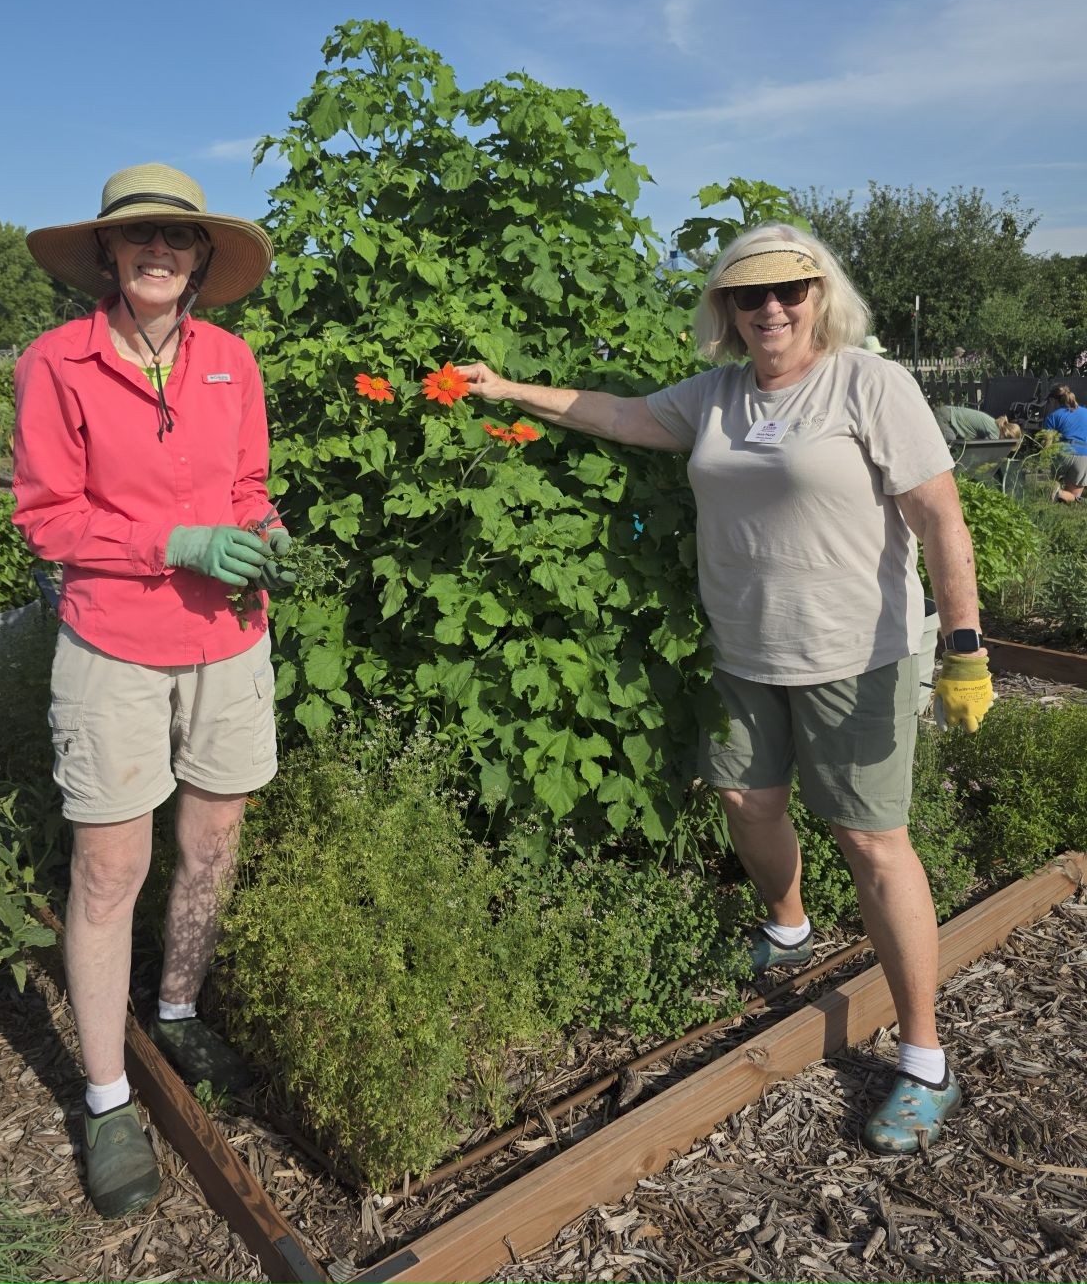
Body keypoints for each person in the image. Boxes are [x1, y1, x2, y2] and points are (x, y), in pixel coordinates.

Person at [456, 223, 994, 1155]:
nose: (772, 309)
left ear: (821, 295)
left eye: (791, 290)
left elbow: (941, 516)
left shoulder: (871, 384)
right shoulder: (718, 395)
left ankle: (923, 1057)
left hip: (853, 656)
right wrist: (506, 391)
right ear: (727, 311)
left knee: (873, 843)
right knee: (747, 802)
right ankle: (788, 927)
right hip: (746, 651)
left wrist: (966, 646)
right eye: (751, 296)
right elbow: (618, 413)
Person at [13, 164, 291, 1217]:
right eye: (139, 238)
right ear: (106, 255)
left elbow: (250, 489)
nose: (159, 250)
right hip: (114, 642)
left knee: (213, 839)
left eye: (178, 236)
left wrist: (267, 536)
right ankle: (106, 1093)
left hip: (227, 637)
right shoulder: (59, 363)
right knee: (108, 863)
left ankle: (175, 1005)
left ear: (202, 256)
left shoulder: (230, 360)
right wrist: (171, 539)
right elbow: (46, 517)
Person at [1043, 383, 1087, 503]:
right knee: (1074, 497)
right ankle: (1060, 494)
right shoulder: (1085, 412)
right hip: (1083, 456)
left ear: (1054, 401)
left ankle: (1055, 491)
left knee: (1055, 481)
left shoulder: (1052, 416)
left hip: (1062, 454)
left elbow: (1047, 444)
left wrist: (1044, 461)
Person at [930, 401, 1020, 444]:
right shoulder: (994, 433)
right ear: (1006, 435)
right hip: (944, 416)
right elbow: (986, 452)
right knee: (951, 441)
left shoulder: (995, 425)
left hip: (946, 412)